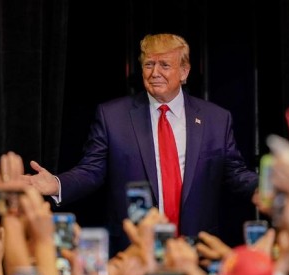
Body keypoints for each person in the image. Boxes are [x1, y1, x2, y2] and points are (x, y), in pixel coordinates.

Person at [22, 33, 258, 253]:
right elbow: (91, 171)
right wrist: (55, 184)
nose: (155, 72)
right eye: (148, 64)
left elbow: (235, 174)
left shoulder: (215, 119)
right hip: (134, 251)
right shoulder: (113, 116)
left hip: (196, 250)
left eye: (164, 65)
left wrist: (267, 188)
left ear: (184, 72)